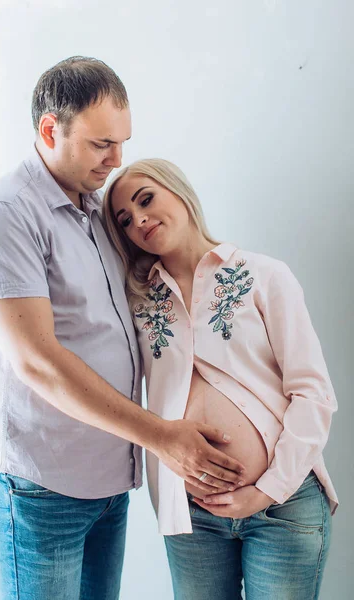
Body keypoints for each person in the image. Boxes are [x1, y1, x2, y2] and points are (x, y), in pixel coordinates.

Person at [0, 58, 245, 600]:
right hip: (40, 485)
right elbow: (36, 360)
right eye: (100, 144)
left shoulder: (97, 209)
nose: (116, 160)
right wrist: (162, 438)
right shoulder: (6, 211)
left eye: (123, 142)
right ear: (49, 130)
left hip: (109, 484)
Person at [102, 157, 339, 600]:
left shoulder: (263, 274)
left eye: (146, 200)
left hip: (283, 507)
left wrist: (266, 491)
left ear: (179, 190)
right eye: (125, 220)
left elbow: (313, 394)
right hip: (191, 517)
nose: (140, 220)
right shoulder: (135, 302)